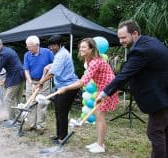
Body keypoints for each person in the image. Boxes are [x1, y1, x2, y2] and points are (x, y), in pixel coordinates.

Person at [95, 20, 168, 157]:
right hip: (163, 93)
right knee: (164, 131)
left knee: (155, 132)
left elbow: (125, 74)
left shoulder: (141, 50)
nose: (121, 41)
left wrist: (104, 93)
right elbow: (140, 72)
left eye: (123, 37)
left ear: (135, 33)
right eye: (119, 38)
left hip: (161, 97)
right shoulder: (151, 42)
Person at [54, 37, 119, 153]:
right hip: (103, 88)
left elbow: (82, 81)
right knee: (99, 115)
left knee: (100, 116)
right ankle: (99, 143)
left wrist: (66, 88)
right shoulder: (89, 61)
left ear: (91, 48)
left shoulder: (95, 62)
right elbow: (85, 80)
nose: (80, 49)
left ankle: (100, 145)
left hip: (108, 89)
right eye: (80, 47)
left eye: (84, 47)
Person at [37, 35, 79, 142]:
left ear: (59, 45)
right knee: (58, 111)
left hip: (69, 87)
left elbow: (52, 73)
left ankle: (62, 137)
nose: (51, 48)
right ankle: (59, 135)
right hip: (61, 86)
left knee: (62, 112)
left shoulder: (61, 55)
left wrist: (41, 82)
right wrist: (50, 65)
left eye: (53, 46)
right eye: (50, 45)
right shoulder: (60, 53)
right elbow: (56, 66)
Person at [0, 37, 25, 120]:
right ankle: (19, 119)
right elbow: (13, 65)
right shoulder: (8, 50)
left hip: (15, 77)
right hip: (20, 75)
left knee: (7, 99)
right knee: (18, 99)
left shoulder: (3, 54)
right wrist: (6, 78)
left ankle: (12, 120)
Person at [23, 35, 54, 134]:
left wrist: (43, 80)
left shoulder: (47, 52)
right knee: (31, 102)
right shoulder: (27, 55)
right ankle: (31, 125)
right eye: (27, 46)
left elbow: (55, 65)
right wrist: (31, 83)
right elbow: (26, 70)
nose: (28, 48)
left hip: (44, 81)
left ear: (37, 45)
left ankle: (40, 126)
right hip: (31, 81)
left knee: (41, 103)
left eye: (29, 46)